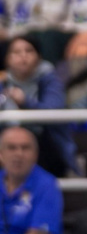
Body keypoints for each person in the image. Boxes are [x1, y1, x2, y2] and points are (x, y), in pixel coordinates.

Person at [0, 36, 79, 177]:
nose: (23, 56)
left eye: (29, 51)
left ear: (39, 56)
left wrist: (25, 102)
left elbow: (53, 113)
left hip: (47, 148)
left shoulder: (51, 80)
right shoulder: (3, 85)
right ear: (7, 59)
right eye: (16, 52)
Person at [0, 127, 63, 234]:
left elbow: (39, 232)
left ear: (35, 154)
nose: (19, 154)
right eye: (11, 148)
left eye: (25, 148)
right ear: (1, 154)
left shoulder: (46, 185)